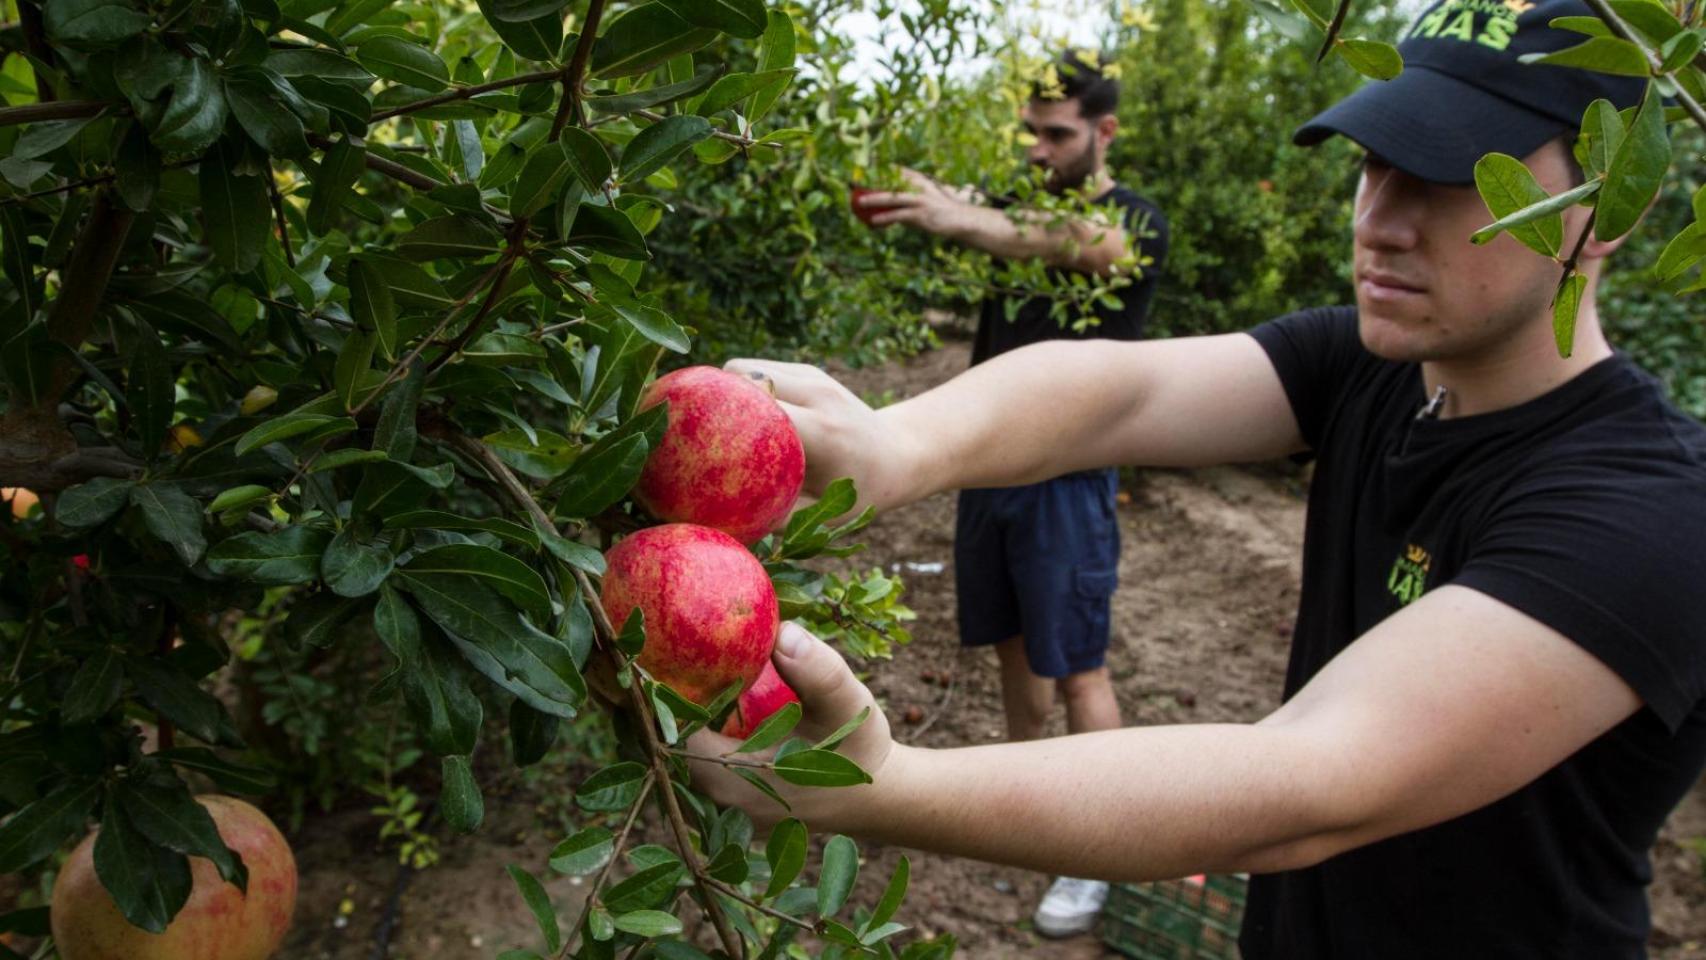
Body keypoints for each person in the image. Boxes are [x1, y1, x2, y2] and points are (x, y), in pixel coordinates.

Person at [695, 1, 1706, 956]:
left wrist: (883, 786)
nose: (1380, 221)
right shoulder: (1376, 372)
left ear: (1607, 202)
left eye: (1453, 177)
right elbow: (1118, 393)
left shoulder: (1646, 510)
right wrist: (892, 447)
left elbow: (1304, 781)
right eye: (1374, 165)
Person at [853, 50, 1170, 937]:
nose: (1038, 149)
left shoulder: (1134, 221)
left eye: (1057, 133)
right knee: (1013, 651)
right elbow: (1009, 225)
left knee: (1079, 668)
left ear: (1104, 132)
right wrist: (933, 201)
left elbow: (1065, 242)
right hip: (988, 474)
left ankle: (1101, 851)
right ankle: (1036, 810)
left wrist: (959, 216)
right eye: (1030, 132)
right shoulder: (1012, 208)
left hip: (1067, 482)